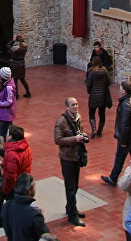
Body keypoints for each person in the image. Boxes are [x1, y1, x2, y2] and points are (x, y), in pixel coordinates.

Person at [54, 96, 90, 226]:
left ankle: (71, 208)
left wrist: (83, 136)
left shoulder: (78, 118)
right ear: (67, 107)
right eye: (73, 105)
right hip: (67, 158)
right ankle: (72, 215)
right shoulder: (61, 122)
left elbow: (81, 131)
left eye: (76, 104)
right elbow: (58, 140)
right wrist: (74, 139)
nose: (75, 106)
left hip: (77, 156)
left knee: (75, 186)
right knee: (70, 186)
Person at [103, 80, 131, 186]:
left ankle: (113, 178)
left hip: (127, 138)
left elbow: (125, 125)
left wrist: (122, 141)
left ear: (125, 91)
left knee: (120, 158)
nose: (119, 89)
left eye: (121, 88)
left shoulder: (126, 105)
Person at [1, 173, 48, 241]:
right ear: (29, 190)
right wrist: (39, 216)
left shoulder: (6, 206)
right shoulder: (34, 215)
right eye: (34, 187)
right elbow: (45, 236)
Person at [2, 124, 33, 197]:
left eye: (7, 134)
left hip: (14, 188)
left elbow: (11, 177)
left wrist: (5, 190)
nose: (6, 135)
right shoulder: (27, 148)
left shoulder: (11, 154)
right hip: (23, 183)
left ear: (11, 136)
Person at [86, 58, 112, 137]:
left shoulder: (91, 73)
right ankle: (100, 131)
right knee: (102, 114)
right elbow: (109, 83)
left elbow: (89, 84)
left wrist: (89, 91)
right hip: (103, 96)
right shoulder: (105, 72)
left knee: (91, 113)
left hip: (94, 96)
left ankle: (94, 130)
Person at [0, 66, 17, 139]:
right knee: (8, 131)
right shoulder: (7, 84)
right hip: (6, 114)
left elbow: (9, 102)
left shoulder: (8, 87)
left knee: (2, 134)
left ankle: (3, 147)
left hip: (6, 114)